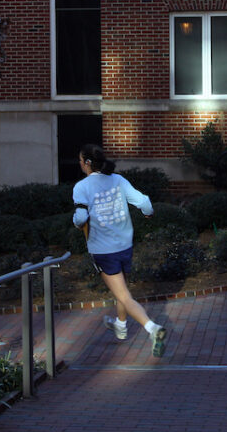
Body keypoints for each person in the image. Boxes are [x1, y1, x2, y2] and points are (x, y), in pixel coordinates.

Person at [72, 144, 168, 357]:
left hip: (103, 249)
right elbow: (143, 202)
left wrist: (77, 222)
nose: (79, 164)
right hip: (125, 245)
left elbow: (80, 218)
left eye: (80, 160)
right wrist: (148, 213)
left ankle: (153, 328)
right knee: (121, 290)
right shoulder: (118, 180)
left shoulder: (81, 187)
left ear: (87, 163)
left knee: (124, 295)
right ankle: (121, 328)